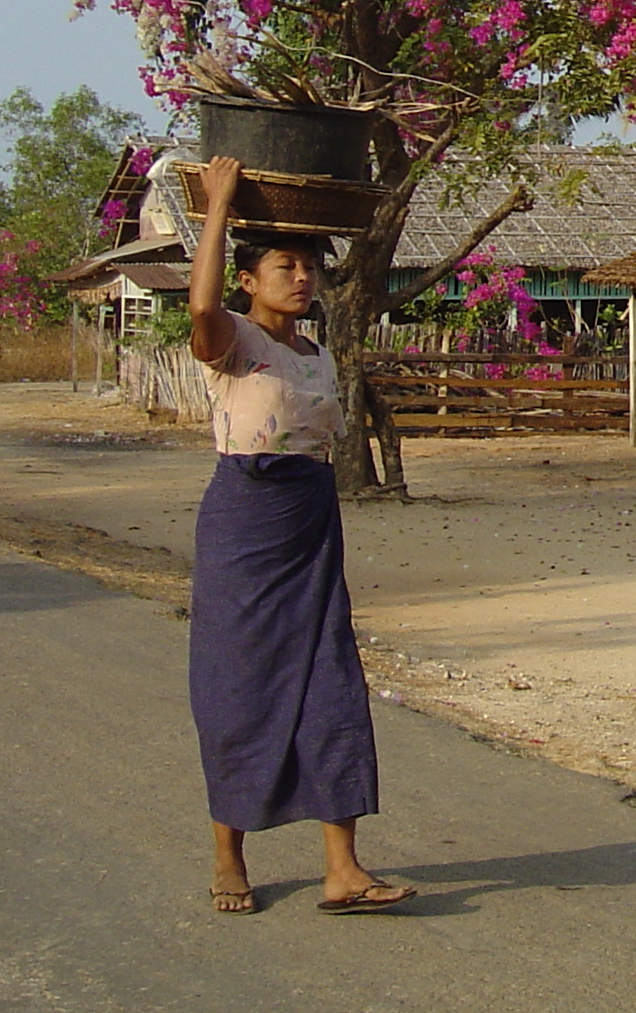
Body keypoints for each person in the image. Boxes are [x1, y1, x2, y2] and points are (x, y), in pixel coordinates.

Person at [187, 155, 414, 916]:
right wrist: (218, 207)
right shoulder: (234, 343)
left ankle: (343, 869)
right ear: (249, 279)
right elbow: (198, 306)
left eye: (310, 266)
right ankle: (229, 856)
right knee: (237, 685)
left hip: (312, 521)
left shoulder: (315, 356)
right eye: (285, 265)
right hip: (245, 522)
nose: (302, 277)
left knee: (329, 680)